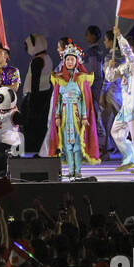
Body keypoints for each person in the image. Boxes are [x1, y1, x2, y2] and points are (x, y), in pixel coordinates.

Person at [45, 42, 99, 178]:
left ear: (77, 61)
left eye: (72, 59)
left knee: (77, 144)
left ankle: (78, 170)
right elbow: (57, 100)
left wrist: (85, 117)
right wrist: (57, 116)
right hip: (64, 114)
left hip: (77, 114)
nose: (69, 62)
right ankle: (70, 170)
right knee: (66, 144)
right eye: (67, 59)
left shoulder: (81, 78)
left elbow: (84, 100)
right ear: (64, 61)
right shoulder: (59, 79)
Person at [106, 28, 134, 173]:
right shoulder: (124, 67)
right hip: (126, 107)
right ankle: (130, 156)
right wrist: (110, 68)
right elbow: (110, 78)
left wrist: (119, 36)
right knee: (116, 131)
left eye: (124, 48)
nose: (122, 51)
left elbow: (129, 54)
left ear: (129, 48)